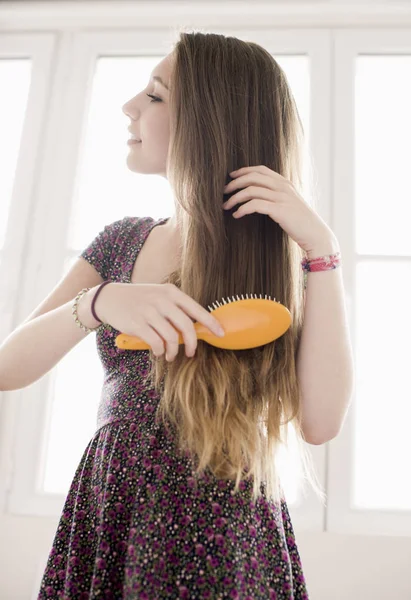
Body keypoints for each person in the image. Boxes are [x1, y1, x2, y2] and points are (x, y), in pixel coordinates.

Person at [0, 30, 352, 600]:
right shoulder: (120, 244)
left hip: (228, 533)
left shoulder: (283, 264)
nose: (130, 107)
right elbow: (7, 368)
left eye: (156, 96)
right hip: (115, 510)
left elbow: (321, 422)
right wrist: (97, 302)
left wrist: (322, 252)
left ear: (209, 125)